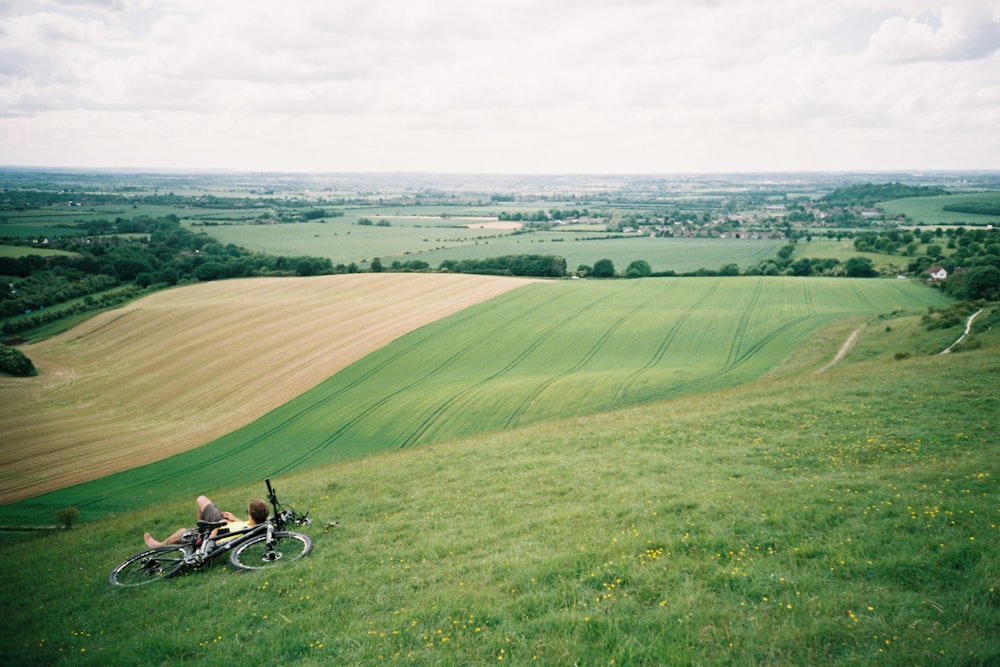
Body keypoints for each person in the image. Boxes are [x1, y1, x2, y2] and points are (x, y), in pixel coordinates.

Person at [143, 495, 269, 548]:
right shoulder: (253, 526)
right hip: (221, 523)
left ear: (251, 515)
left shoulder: (244, 530)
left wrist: (213, 531)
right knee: (201, 499)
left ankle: (158, 546)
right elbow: (244, 527)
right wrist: (234, 519)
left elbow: (221, 539)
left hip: (215, 532)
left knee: (181, 532)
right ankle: (199, 529)